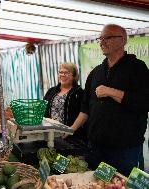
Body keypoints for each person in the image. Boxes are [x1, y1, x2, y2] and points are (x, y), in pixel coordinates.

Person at [68, 24, 149, 176]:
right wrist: (70, 129)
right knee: (96, 184)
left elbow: (144, 102)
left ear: (123, 40)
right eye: (101, 38)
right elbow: (86, 108)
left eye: (108, 37)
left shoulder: (138, 68)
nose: (102, 42)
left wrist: (112, 92)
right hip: (96, 147)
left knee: (122, 184)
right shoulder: (96, 72)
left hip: (125, 150)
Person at [44, 63, 86, 141]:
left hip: (72, 136)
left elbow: (84, 113)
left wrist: (70, 130)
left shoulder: (79, 92)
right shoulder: (51, 91)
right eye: (60, 72)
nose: (62, 75)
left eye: (66, 72)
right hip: (50, 135)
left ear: (74, 76)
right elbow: (43, 110)